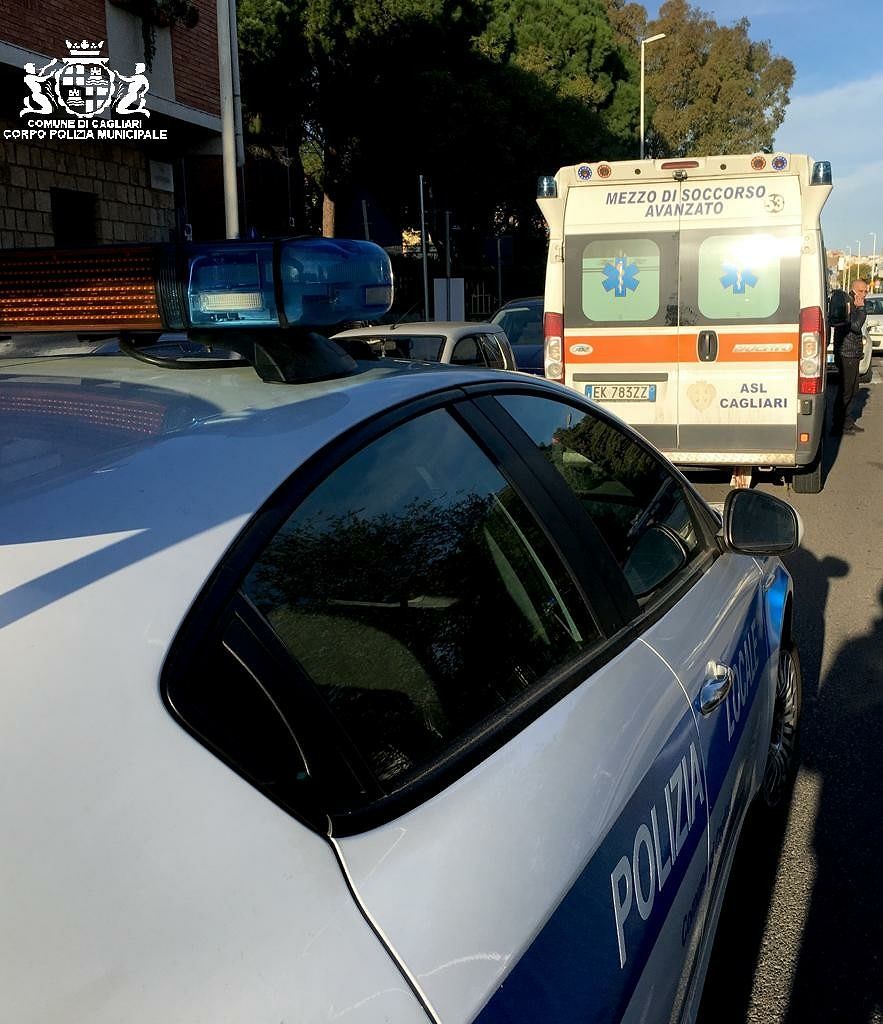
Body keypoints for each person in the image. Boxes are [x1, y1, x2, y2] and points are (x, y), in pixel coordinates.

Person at [832, 278, 868, 435]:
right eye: (861, 291)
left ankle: (847, 422)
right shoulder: (849, 304)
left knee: (853, 389)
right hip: (847, 353)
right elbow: (855, 326)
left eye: (866, 291)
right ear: (853, 290)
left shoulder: (853, 303)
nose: (864, 294)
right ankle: (838, 425)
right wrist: (862, 309)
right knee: (846, 391)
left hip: (852, 353)